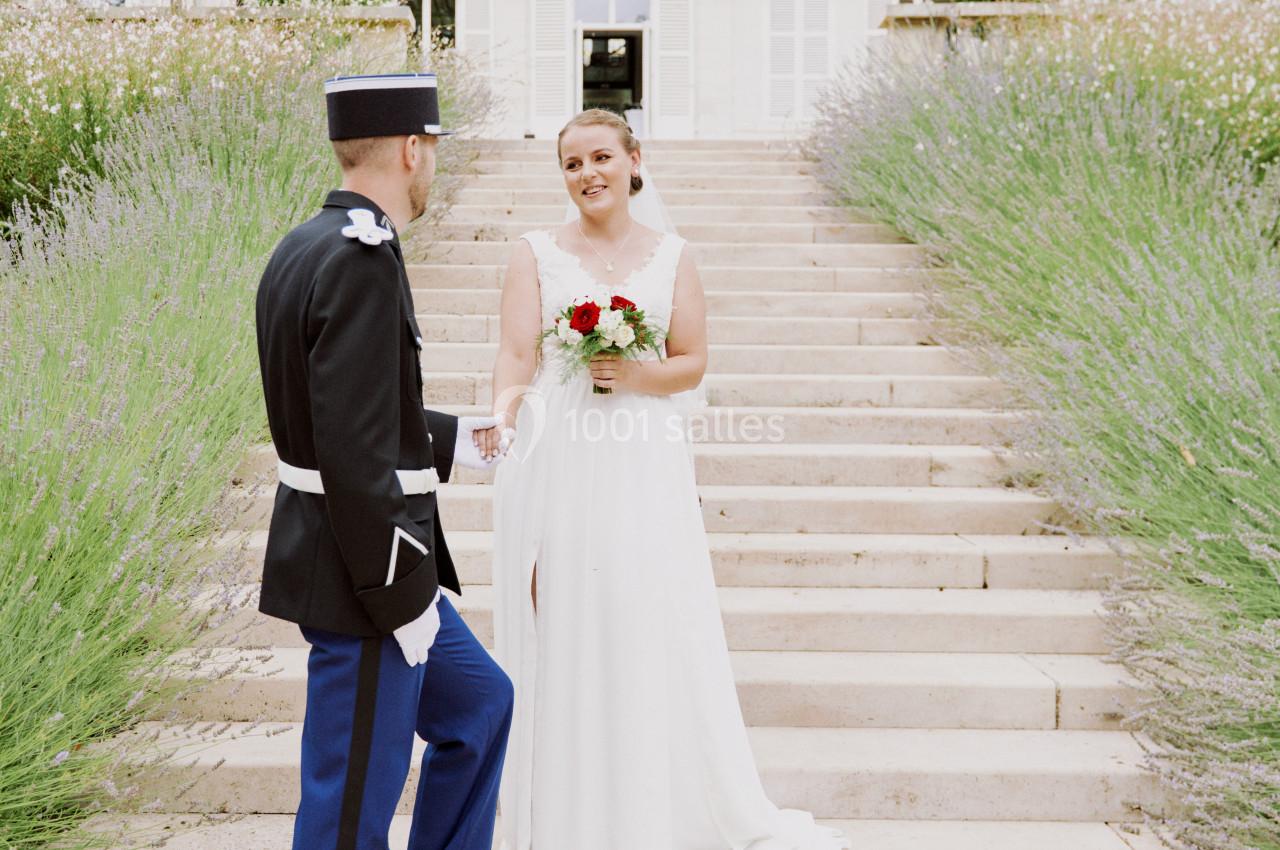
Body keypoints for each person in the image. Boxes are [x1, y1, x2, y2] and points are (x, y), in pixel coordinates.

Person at [482, 109, 851, 850]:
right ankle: (566, 806)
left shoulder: (673, 255)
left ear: (633, 160)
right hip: (562, 450)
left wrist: (637, 373)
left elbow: (693, 361)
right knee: (563, 604)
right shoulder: (534, 253)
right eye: (572, 164)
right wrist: (504, 419)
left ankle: (647, 800)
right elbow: (517, 355)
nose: (587, 174)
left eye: (600, 158)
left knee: (641, 609)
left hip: (641, 452)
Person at [254, 72, 514, 850]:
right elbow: (352, 451)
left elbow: (345, 408)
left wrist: (452, 438)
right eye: (432, 147)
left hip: (357, 552)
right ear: (410, 148)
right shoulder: (361, 257)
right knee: (347, 813)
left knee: (478, 706)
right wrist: (400, 601)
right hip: (365, 574)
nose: (431, 163)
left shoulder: (306, 244)